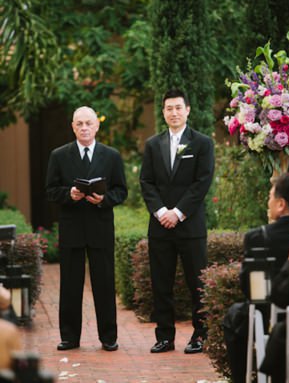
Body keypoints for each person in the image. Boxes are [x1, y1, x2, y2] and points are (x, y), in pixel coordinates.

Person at [46, 106, 127, 351]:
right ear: (73, 127)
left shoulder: (111, 156)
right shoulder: (59, 155)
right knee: (70, 285)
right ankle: (69, 337)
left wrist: (104, 200)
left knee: (104, 283)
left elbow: (121, 191)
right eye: (79, 123)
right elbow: (50, 191)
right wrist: (68, 193)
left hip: (100, 227)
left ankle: (109, 337)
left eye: (88, 123)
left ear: (96, 126)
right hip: (72, 229)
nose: (84, 128)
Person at [140, 89, 215, 354]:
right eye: (169, 108)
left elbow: (202, 182)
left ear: (188, 110)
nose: (174, 112)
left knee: (198, 284)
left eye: (178, 108)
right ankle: (164, 336)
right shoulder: (152, 144)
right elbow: (146, 182)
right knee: (161, 284)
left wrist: (178, 212)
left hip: (190, 225)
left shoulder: (202, 143)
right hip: (160, 226)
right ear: (163, 112)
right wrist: (161, 212)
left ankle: (200, 335)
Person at [223, 172, 289, 383]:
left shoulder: (258, 236)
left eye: (270, 197)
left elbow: (250, 290)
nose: (269, 202)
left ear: (281, 204)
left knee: (235, 316)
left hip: (265, 314)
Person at [258, 236, 289, 383]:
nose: (269, 210)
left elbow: (279, 296)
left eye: (270, 209)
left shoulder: (262, 236)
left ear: (282, 210)